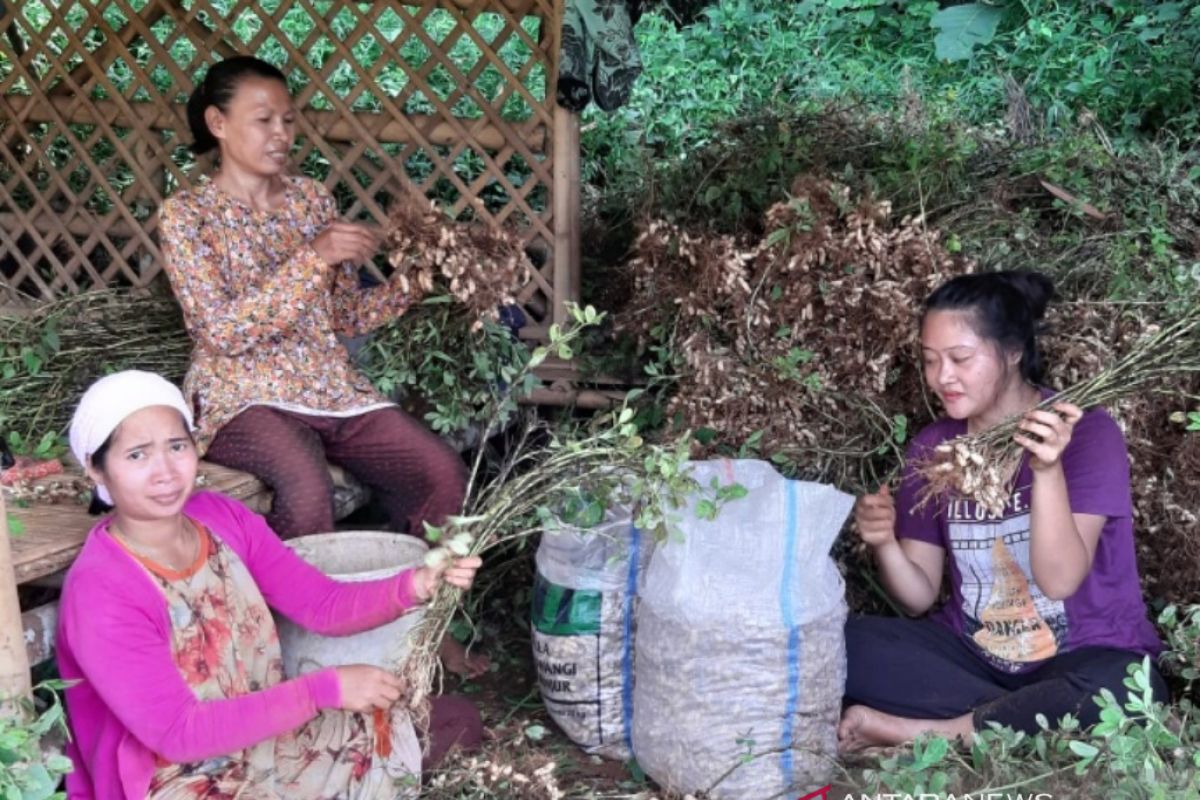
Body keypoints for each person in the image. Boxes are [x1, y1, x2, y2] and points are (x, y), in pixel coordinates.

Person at [159, 55, 485, 676]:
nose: (281, 134)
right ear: (217, 123)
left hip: (329, 387)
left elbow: (342, 319)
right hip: (241, 392)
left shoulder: (311, 200)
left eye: (287, 119)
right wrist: (314, 257)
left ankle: (422, 632)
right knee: (305, 487)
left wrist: (414, 280)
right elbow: (220, 331)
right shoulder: (187, 217)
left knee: (440, 471)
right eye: (263, 120)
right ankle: (289, 650)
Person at [57, 370, 483, 799]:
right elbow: (178, 733)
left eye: (176, 446)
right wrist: (323, 689)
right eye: (137, 455)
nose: (165, 472)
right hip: (177, 779)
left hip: (266, 742)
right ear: (96, 468)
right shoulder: (102, 589)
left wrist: (418, 584)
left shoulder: (220, 517)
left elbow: (322, 603)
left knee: (441, 722)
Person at [839, 271, 1166, 752]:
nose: (941, 377)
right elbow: (917, 597)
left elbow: (1059, 581)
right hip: (974, 658)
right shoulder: (934, 450)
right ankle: (1011, 722)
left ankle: (931, 732)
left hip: (1083, 654)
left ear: (1013, 352)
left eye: (960, 359)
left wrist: (1048, 470)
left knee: (1128, 686)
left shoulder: (1086, 435)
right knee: (844, 644)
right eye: (930, 361)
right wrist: (884, 542)